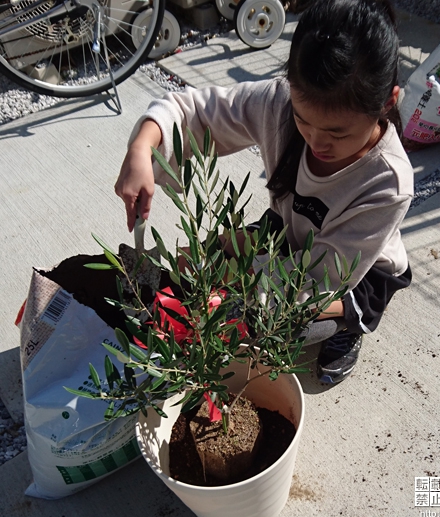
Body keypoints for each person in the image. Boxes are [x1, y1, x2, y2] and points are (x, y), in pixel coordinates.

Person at [115, 0, 413, 384]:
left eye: (338, 133)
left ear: (388, 102)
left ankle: (349, 326)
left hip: (355, 271)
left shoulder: (387, 182)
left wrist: (228, 280)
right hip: (287, 234)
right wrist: (142, 147)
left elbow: (315, 283)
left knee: (278, 328)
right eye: (304, 122)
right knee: (204, 269)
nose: (317, 142)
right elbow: (194, 113)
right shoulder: (278, 103)